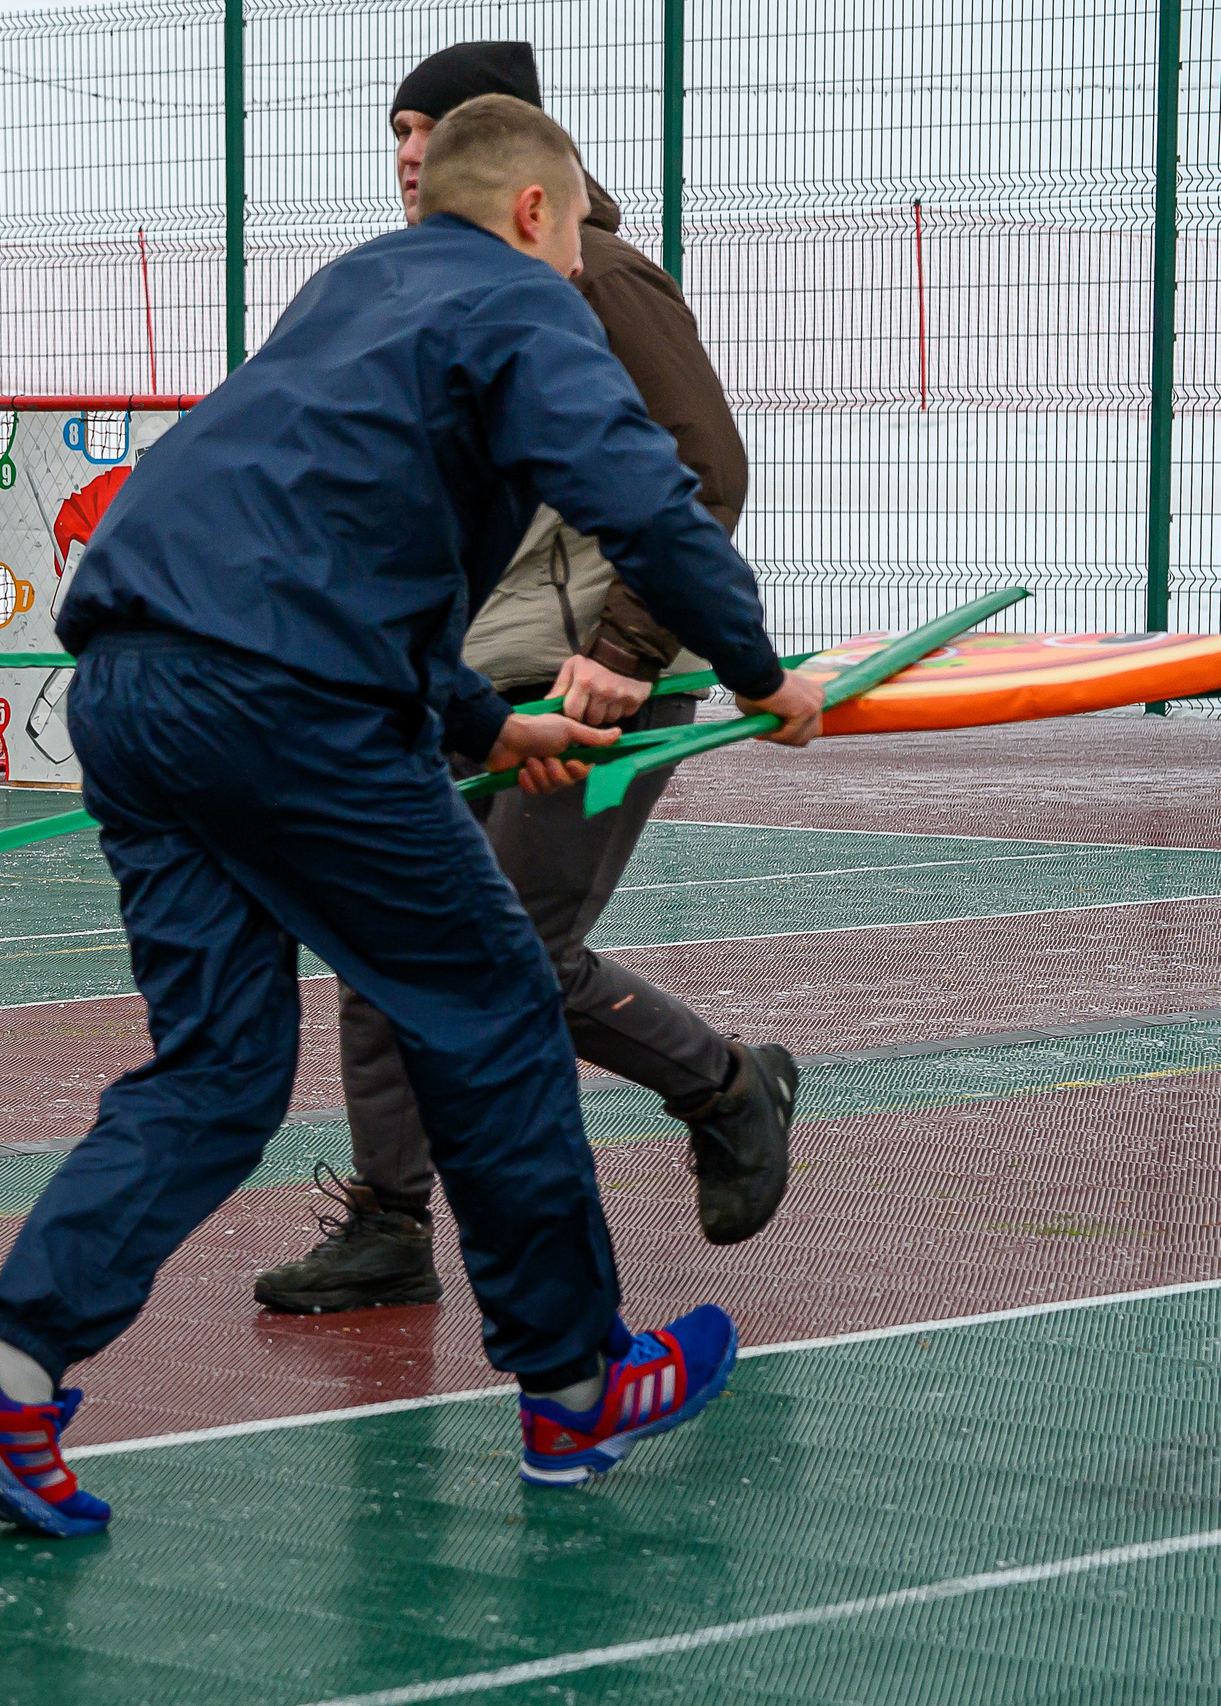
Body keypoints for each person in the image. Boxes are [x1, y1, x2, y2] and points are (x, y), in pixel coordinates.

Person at [0, 94, 824, 1534]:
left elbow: (306, 542)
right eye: (575, 233)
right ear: (533, 211)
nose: (581, 265)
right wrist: (768, 674)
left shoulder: (350, 290)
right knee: (498, 1008)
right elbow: (652, 496)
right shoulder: (526, 301)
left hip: (132, 695)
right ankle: (578, 1389)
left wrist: (482, 721)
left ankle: (7, 1372)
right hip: (291, 710)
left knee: (214, 1072)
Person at [253, 41, 801, 1317]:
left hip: (601, 683)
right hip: (460, 692)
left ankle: (727, 1083)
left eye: (429, 128)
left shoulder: (598, 279)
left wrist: (618, 659)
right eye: (395, 129)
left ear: (512, 157)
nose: (405, 153)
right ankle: (389, 1222)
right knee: (384, 939)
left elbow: (702, 470)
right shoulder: (429, 299)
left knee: (513, 949)